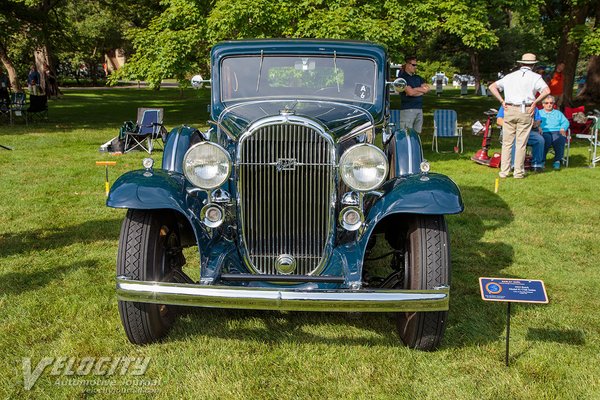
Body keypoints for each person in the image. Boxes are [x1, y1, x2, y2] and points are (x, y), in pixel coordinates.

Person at [489, 53, 550, 179]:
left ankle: (504, 172)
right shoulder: (536, 77)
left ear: (521, 63)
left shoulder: (510, 76)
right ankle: (518, 172)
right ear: (533, 65)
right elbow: (547, 91)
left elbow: (492, 86)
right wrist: (535, 102)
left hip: (509, 108)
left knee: (507, 143)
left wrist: (501, 101)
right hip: (525, 109)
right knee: (521, 143)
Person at [497, 106, 546, 172]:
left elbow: (538, 120)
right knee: (514, 139)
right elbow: (499, 120)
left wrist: (536, 124)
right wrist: (510, 127)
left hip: (527, 131)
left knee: (539, 140)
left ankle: (536, 165)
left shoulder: (532, 106)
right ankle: (514, 165)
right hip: (511, 131)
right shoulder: (507, 105)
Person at [398, 56, 430, 134]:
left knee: (417, 134)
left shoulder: (418, 77)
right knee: (406, 133)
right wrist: (421, 90)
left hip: (419, 108)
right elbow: (410, 92)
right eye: (413, 65)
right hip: (408, 109)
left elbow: (427, 89)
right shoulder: (402, 78)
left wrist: (415, 89)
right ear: (408, 65)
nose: (415, 67)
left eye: (416, 65)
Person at [539, 95, 570, 170]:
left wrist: (563, 128)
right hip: (544, 131)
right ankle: (542, 160)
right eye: (546, 103)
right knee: (545, 140)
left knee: (559, 139)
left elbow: (566, 122)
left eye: (551, 103)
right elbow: (534, 122)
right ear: (543, 104)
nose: (549, 104)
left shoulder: (558, 113)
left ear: (553, 104)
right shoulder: (539, 113)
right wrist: (538, 127)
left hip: (557, 131)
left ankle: (557, 160)